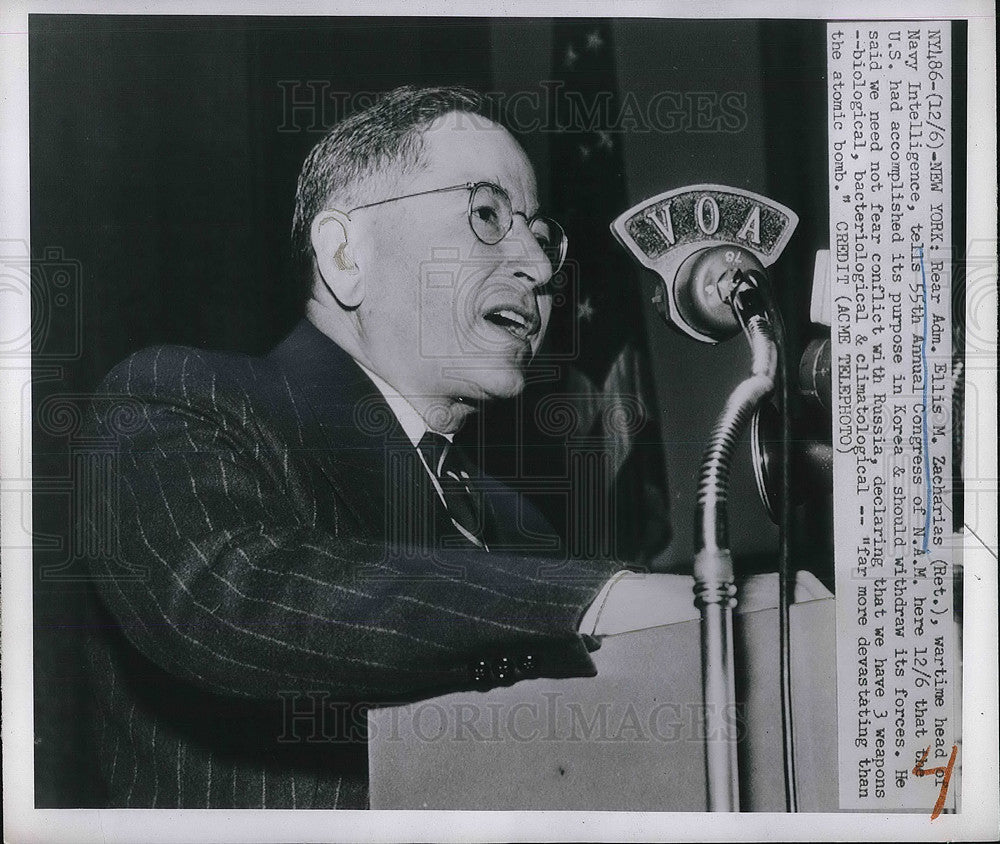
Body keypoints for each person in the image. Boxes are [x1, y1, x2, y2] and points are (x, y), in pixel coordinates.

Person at [83, 85, 670, 810]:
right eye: (485, 215)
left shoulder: (519, 524)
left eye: (542, 235)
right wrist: (600, 601)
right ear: (345, 253)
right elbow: (225, 595)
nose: (540, 269)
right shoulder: (176, 397)